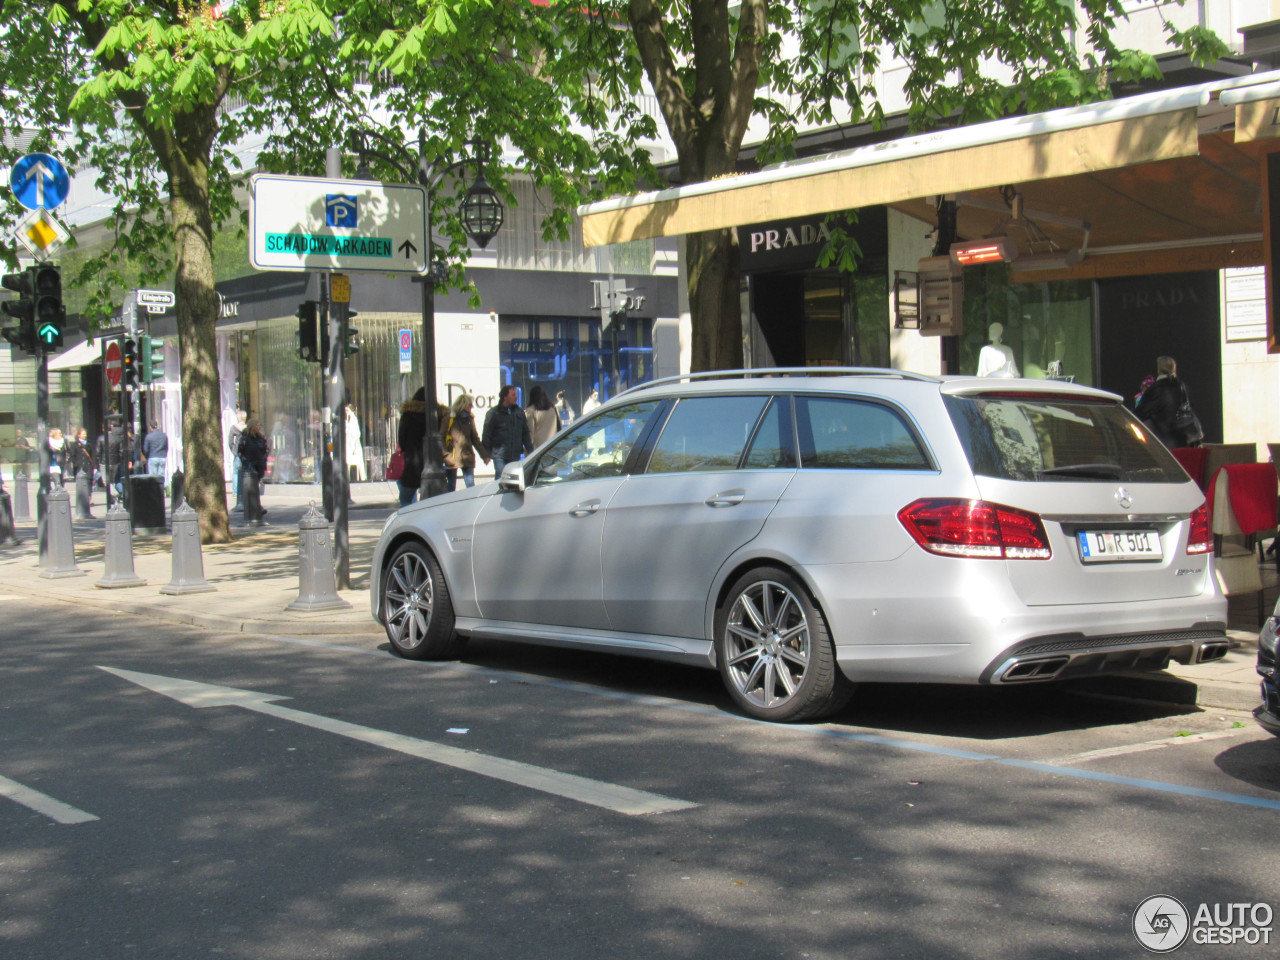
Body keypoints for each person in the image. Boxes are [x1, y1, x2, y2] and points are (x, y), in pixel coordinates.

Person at [1136, 355, 1197, 448]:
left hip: (1163, 443)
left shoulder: (1156, 389)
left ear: (1159, 370)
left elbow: (1141, 413)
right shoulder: (1183, 387)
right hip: (1184, 442)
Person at [482, 384, 533, 477]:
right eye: (513, 395)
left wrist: (530, 450)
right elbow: (487, 434)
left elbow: (525, 433)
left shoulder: (519, 412)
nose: (516, 397)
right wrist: (486, 454)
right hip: (499, 454)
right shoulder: (493, 413)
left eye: (516, 394)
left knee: (512, 477)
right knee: (500, 475)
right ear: (505, 397)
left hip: (514, 453)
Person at [444, 393, 489, 491]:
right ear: (463, 405)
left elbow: (475, 439)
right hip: (452, 457)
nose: (472, 407)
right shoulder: (449, 418)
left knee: (470, 486)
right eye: (469, 404)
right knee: (451, 487)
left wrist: (484, 455)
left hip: (467, 456)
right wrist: (445, 456)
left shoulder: (469, 419)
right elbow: (441, 437)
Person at [397, 388, 427, 507]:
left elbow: (402, 440)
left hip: (412, 462)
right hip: (430, 461)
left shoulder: (408, 416)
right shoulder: (435, 416)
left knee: (405, 498)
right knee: (431, 501)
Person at [237, 418, 269, 518]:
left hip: (259, 464)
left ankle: (256, 507)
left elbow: (265, 449)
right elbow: (240, 450)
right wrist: (245, 460)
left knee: (256, 487)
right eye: (257, 424)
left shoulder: (261, 438)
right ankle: (255, 508)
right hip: (249, 465)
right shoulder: (245, 438)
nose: (259, 427)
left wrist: (264, 458)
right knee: (251, 487)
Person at [68, 428, 97, 519]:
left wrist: (95, 467)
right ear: (78, 435)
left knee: (89, 483)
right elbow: (72, 456)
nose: (85, 435)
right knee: (81, 484)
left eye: (85, 433)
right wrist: (76, 464)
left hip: (88, 467)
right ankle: (82, 501)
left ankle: (87, 499)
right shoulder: (75, 445)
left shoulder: (89, 444)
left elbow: (93, 456)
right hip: (80, 467)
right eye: (83, 434)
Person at [524, 385, 561, 449]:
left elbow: (530, 433)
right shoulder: (553, 409)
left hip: (538, 449)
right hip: (552, 446)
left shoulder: (530, 411)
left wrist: (528, 449)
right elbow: (559, 426)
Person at [229, 409, 247, 510]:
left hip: (237, 454)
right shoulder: (248, 428)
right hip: (246, 454)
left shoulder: (234, 428)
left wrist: (233, 450)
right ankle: (244, 491)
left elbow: (230, 440)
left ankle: (236, 492)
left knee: (236, 472)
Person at [345, 405, 367, 482]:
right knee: (347, 460)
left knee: (359, 461)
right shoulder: (346, 420)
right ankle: (346, 478)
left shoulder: (353, 420)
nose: (346, 412)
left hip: (354, 444)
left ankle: (363, 477)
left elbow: (357, 433)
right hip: (348, 444)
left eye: (347, 410)